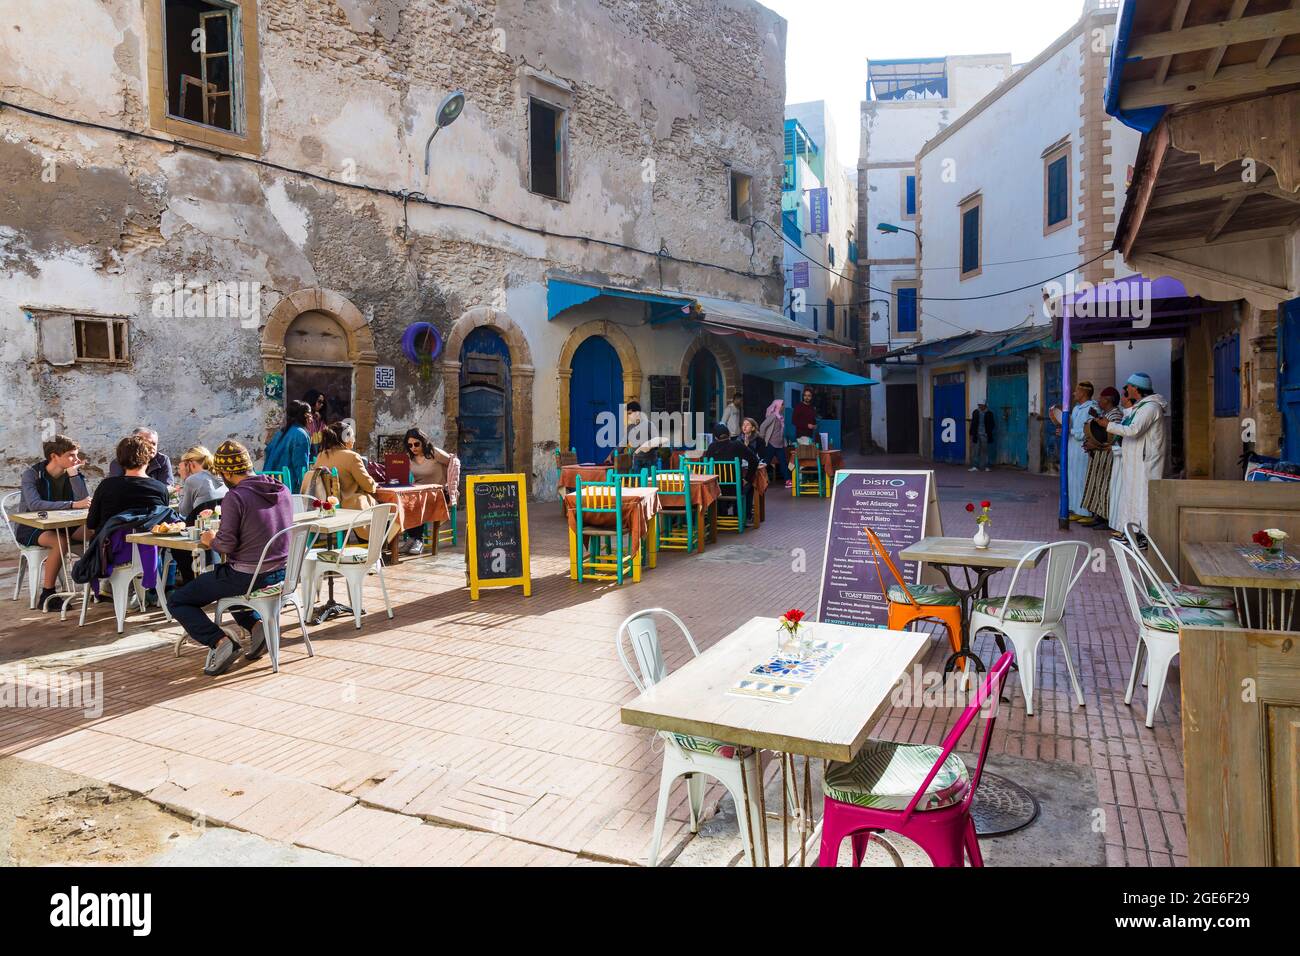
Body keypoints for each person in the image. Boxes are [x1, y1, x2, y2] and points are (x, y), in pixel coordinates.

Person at [168, 441, 294, 676]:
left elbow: (225, 545)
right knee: (224, 585)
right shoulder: (282, 489)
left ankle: (219, 641)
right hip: (283, 573)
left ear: (226, 472)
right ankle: (257, 628)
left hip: (248, 575)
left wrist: (209, 540)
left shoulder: (236, 496)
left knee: (179, 600)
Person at [14, 435, 91, 610]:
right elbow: (34, 505)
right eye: (71, 455)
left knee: (97, 532)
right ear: (54, 456)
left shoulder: (72, 473)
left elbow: (83, 501)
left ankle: (100, 584)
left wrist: (74, 475)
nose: (77, 459)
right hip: (33, 527)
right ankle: (47, 594)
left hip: (64, 525)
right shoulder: (32, 475)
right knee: (59, 542)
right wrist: (71, 505)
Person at [1106, 373, 1169, 544]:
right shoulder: (1141, 407)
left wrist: (1108, 426)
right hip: (1135, 462)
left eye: (1128, 386)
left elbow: (1134, 430)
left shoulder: (1151, 408)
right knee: (1131, 497)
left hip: (1146, 462)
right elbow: (1129, 423)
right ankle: (1132, 532)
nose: (1126, 389)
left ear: (1136, 388)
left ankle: (1145, 537)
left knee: (1144, 498)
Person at [172, 445, 228, 585]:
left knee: (175, 546)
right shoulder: (220, 476)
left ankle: (188, 581)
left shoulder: (193, 480)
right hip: (222, 529)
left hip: (200, 531)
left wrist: (185, 481)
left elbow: (184, 511)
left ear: (190, 464)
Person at [1051, 381, 1099, 521]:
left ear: (1084, 393)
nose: (1073, 393)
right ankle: (1074, 508)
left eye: (1076, 391)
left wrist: (1070, 431)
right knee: (1072, 479)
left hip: (1083, 450)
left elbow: (1090, 430)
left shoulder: (1092, 408)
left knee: (1082, 479)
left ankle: (1086, 512)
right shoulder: (1077, 408)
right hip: (1072, 448)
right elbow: (1070, 425)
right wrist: (1062, 429)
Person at [402, 427, 455, 555]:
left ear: (423, 441)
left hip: (439, 492)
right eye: (410, 445)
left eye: (416, 444)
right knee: (403, 502)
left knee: (417, 502)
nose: (413, 447)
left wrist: (451, 483)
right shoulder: (410, 457)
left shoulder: (433, 453)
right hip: (419, 491)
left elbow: (453, 462)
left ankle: (418, 540)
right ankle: (412, 537)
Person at [1078, 387, 1123, 529]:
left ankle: (1105, 518)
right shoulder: (1105, 414)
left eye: (1101, 398)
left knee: (1105, 487)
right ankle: (1098, 516)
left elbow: (1111, 438)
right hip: (1098, 456)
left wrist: (1095, 445)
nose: (1098, 400)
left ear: (1108, 400)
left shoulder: (1115, 415)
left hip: (1107, 456)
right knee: (1097, 486)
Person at [313, 423, 379, 512]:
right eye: (353, 436)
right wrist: (375, 484)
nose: (354, 440)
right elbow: (368, 486)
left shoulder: (320, 456)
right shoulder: (352, 457)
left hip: (327, 506)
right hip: (352, 508)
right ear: (346, 439)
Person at [704, 423, 761, 522]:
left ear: (716, 437)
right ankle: (744, 515)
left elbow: (706, 465)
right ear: (729, 434)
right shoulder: (737, 445)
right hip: (735, 488)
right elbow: (754, 460)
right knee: (750, 485)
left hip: (716, 488)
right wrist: (746, 478)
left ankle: (720, 514)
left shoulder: (711, 447)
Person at [264, 399, 312, 493]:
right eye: (310, 414)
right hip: (287, 486)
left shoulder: (281, 433)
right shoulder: (300, 434)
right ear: (305, 416)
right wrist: (306, 490)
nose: (312, 419)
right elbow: (301, 467)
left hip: (270, 483)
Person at [108, 426, 174, 487]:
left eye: (154, 444)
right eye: (146, 443)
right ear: (135, 443)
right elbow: (115, 486)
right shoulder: (120, 461)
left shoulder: (162, 460)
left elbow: (167, 486)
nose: (152, 447)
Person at [758, 398, 791, 487]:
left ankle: (788, 480)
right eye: (782, 405)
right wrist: (763, 438)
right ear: (778, 406)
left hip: (779, 445)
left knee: (783, 462)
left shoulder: (780, 417)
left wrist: (784, 443)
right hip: (771, 444)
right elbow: (762, 426)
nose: (783, 406)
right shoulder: (773, 416)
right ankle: (759, 479)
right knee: (766, 462)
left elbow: (780, 432)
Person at [968, 401, 996, 473]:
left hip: (985, 435)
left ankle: (986, 466)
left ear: (985, 405)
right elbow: (973, 423)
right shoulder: (976, 412)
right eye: (979, 405)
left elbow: (992, 424)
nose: (979, 406)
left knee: (985, 451)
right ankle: (975, 466)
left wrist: (988, 432)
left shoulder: (989, 413)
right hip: (976, 434)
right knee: (976, 450)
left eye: (981, 405)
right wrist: (971, 432)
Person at [303, 389, 328, 459]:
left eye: (323, 402)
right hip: (308, 453)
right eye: (319, 402)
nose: (322, 405)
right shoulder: (305, 418)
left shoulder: (321, 419)